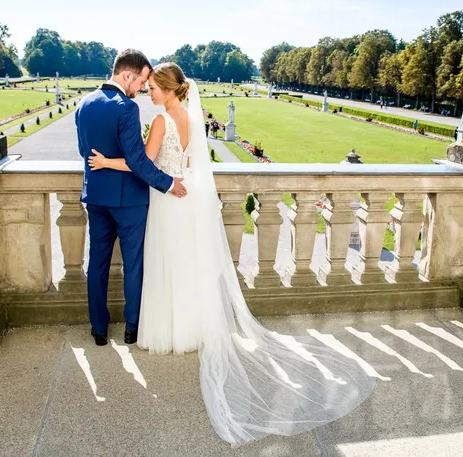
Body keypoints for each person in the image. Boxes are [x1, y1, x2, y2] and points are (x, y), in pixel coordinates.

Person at [87, 63, 375, 446]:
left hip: (168, 199)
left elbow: (143, 165)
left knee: (164, 264)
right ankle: (191, 326)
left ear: (170, 90)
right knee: (187, 264)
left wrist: (106, 162)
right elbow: (187, 164)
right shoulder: (193, 119)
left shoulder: (158, 121)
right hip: (187, 195)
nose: (149, 92)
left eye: (154, 87)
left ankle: (165, 327)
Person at [75, 49, 188, 348]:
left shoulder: (83, 104)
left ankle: (98, 329)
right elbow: (138, 161)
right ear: (127, 75)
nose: (141, 88)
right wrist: (167, 184)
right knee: (133, 265)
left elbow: (82, 153)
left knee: (96, 263)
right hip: (130, 202)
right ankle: (131, 328)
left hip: (97, 197)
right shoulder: (126, 108)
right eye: (140, 82)